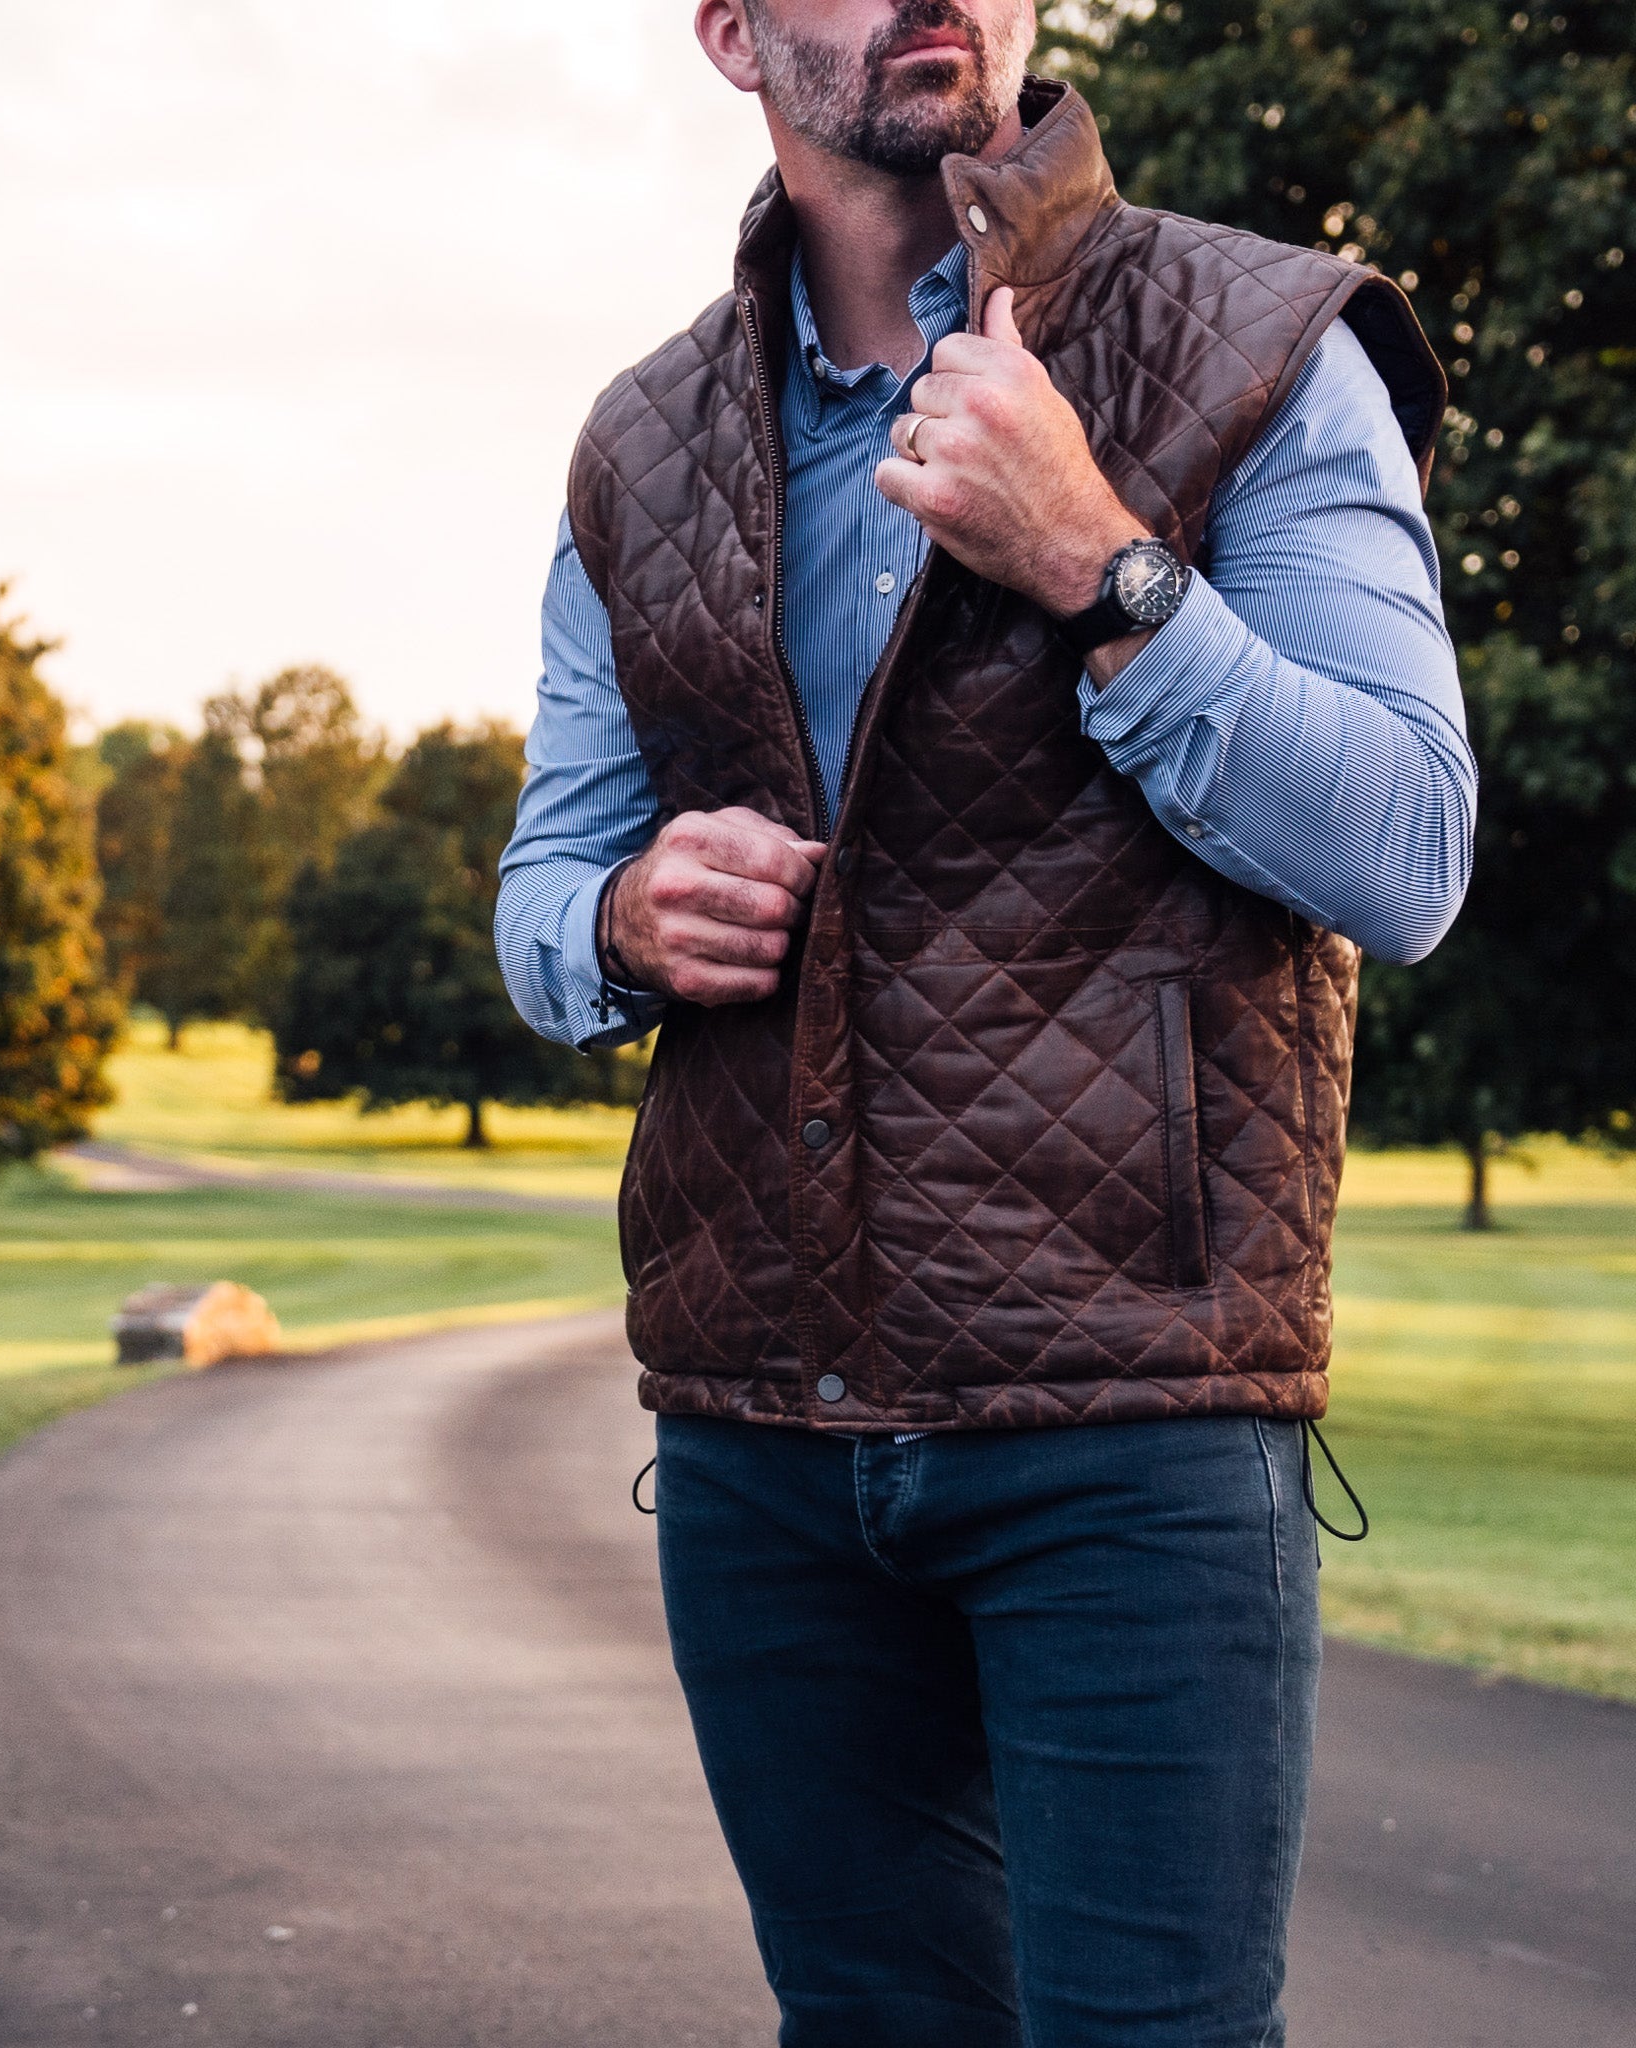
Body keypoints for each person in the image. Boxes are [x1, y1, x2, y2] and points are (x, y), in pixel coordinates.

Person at [494, 2, 1476, 2041]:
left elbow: (1405, 850)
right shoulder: (637, 443)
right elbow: (540, 892)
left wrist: (1099, 563)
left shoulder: (1263, 340)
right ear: (731, 33)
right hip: (759, 1437)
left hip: (1133, 1418)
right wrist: (622, 916)